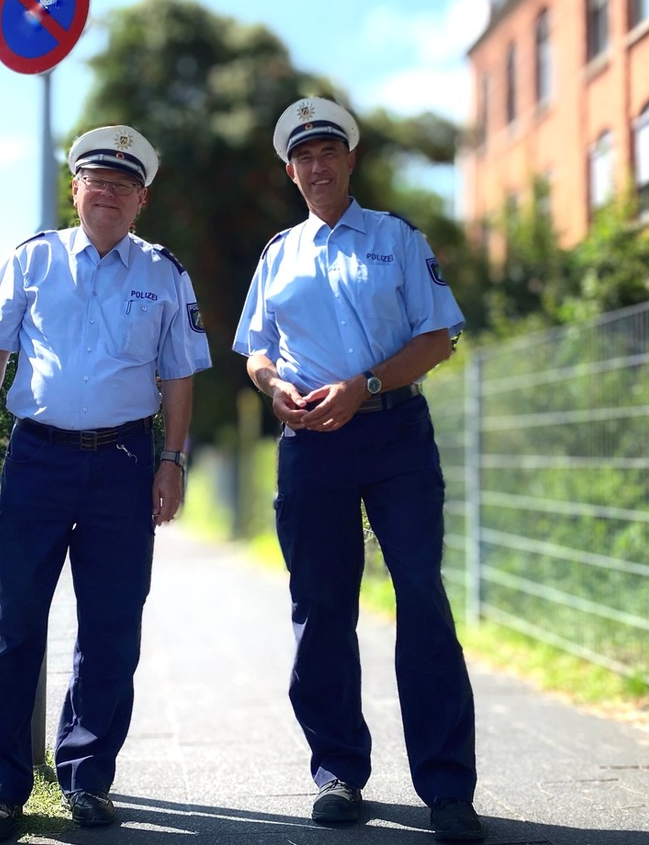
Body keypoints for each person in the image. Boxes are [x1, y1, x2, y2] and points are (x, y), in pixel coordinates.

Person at [232, 98, 484, 842]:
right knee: (321, 605)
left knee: (421, 597)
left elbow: (438, 337)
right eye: (303, 157)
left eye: (329, 152)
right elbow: (255, 347)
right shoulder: (278, 251)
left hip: (393, 433)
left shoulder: (398, 238)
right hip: (310, 444)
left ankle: (446, 788)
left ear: (351, 160)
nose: (317, 166)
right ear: (291, 170)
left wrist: (364, 386)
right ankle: (338, 770)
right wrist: (273, 383)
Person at [0, 125, 211, 839]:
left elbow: (181, 373)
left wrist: (173, 459)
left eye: (124, 185)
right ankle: (2, 786)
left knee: (110, 628)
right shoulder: (33, 259)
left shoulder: (164, 272)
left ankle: (88, 777)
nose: (108, 193)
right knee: (18, 625)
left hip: (125, 464)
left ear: (142, 199)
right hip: (38, 459)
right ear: (76, 189)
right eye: (96, 181)